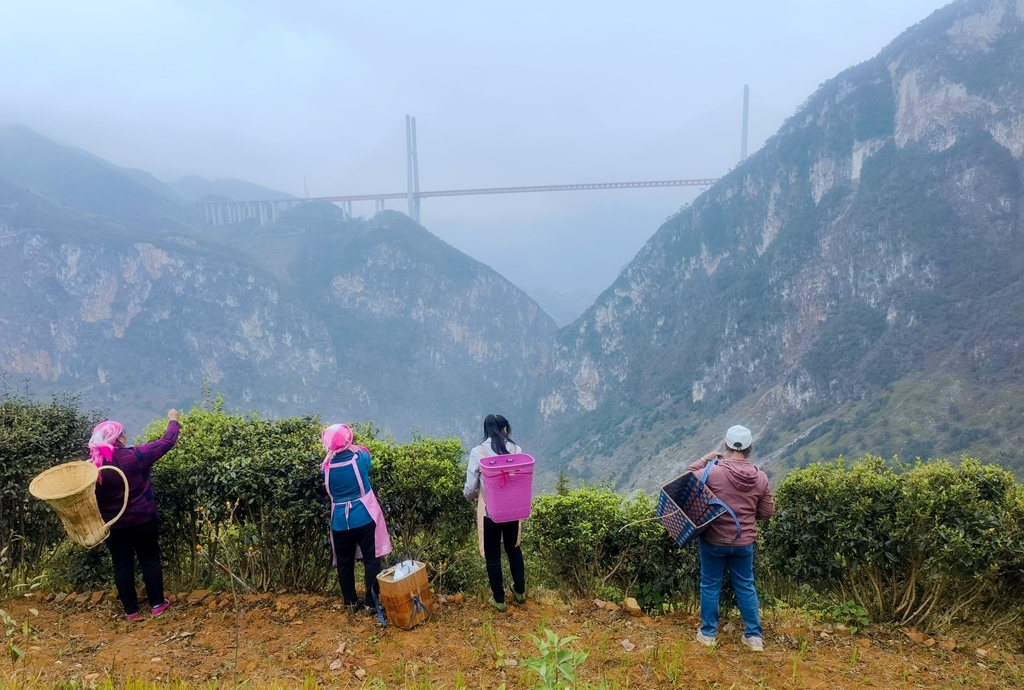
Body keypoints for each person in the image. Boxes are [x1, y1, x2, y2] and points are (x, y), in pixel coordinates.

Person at [686, 424, 775, 652]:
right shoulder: (761, 477)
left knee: (710, 584)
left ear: (725, 446)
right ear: (750, 448)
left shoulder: (713, 471)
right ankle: (754, 637)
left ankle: (708, 634)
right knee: (746, 586)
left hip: (713, 541)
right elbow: (766, 512)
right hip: (744, 542)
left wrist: (703, 460)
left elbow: (685, 482)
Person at [91, 409, 181, 620]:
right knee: (149, 559)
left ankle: (131, 610)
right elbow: (167, 442)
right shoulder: (135, 456)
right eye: (123, 433)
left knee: (122, 563)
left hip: (113, 524)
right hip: (143, 518)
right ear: (119, 438)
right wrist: (173, 420)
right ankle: (157, 604)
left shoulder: (94, 467)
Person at [321, 423, 392, 615]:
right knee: (371, 558)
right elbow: (365, 451)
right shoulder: (360, 459)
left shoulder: (327, 467)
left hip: (340, 522)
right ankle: (371, 603)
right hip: (364, 516)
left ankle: (350, 602)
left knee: (345, 562)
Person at [463, 414, 526, 612]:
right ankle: (520, 592)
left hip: (490, 510)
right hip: (513, 509)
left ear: (487, 430)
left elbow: (471, 487)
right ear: (505, 429)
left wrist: (470, 497)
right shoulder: (517, 450)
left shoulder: (478, 452)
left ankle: (499, 600)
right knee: (513, 549)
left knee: (493, 556)